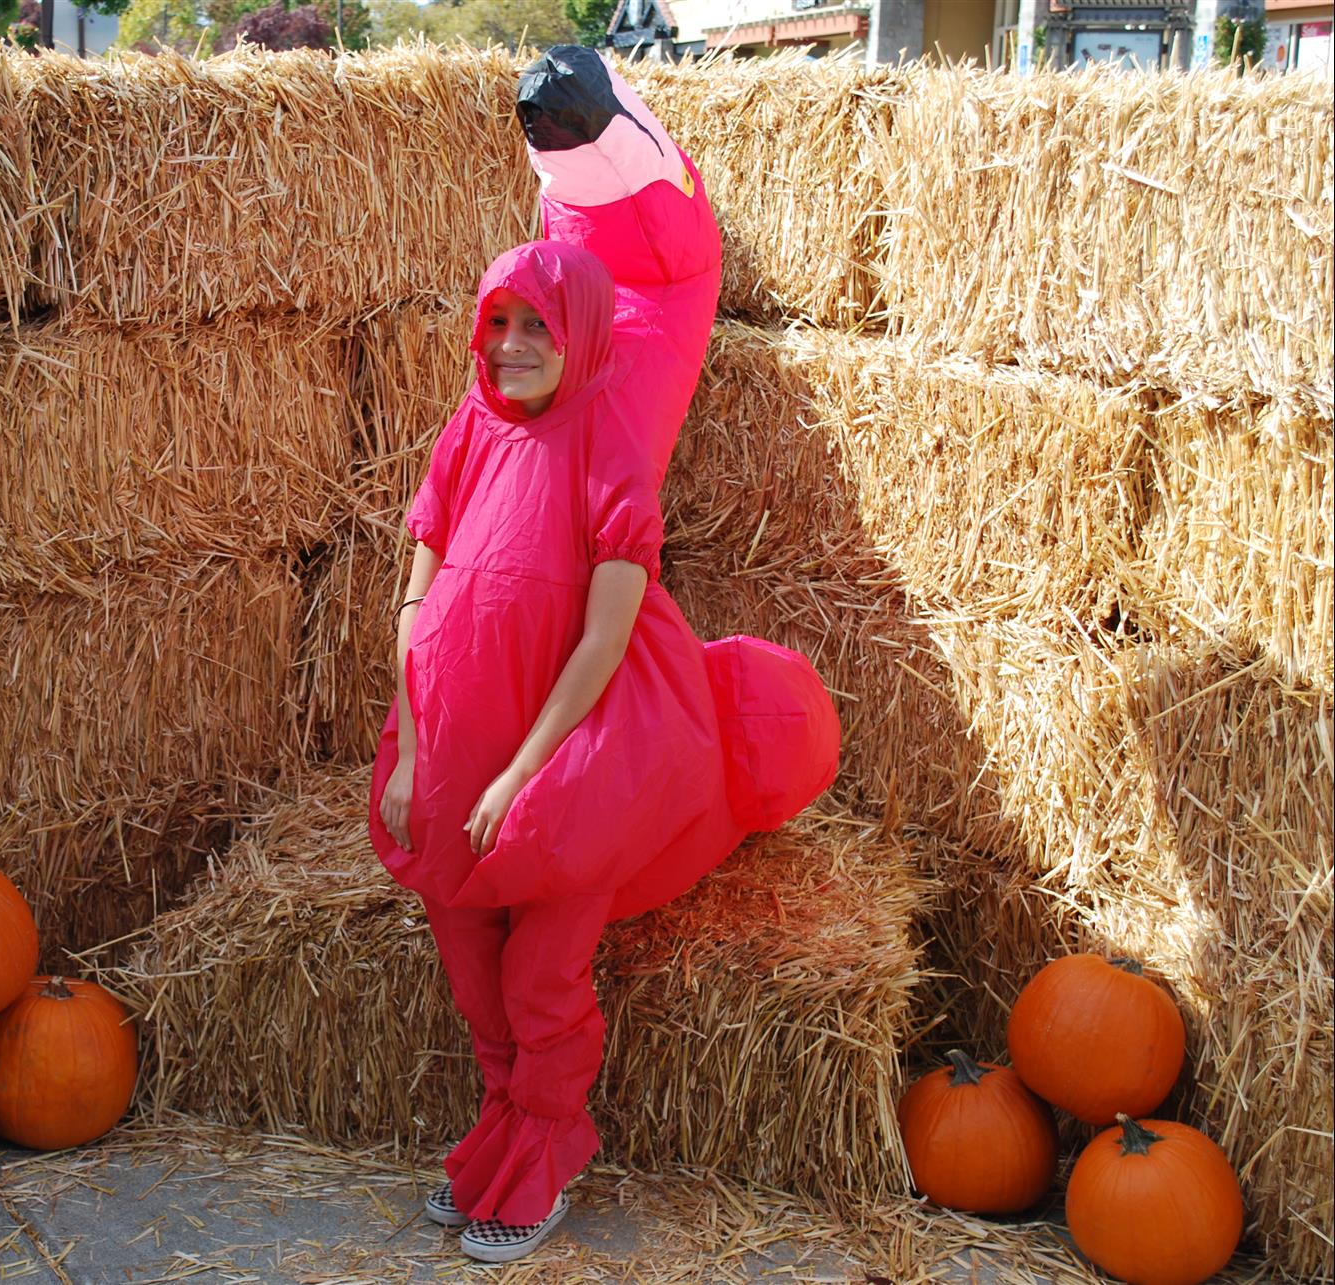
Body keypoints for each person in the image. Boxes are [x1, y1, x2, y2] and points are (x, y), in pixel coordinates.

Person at [366, 47, 838, 1264]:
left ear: (580, 336)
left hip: (568, 767)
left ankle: (547, 1156)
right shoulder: (470, 430)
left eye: (537, 325)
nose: (513, 342)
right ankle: (493, 1143)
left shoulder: (607, 453)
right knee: (475, 979)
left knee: (540, 983)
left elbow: (603, 640)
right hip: (446, 760)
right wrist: (416, 750)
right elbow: (412, 605)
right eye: (498, 322)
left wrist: (526, 773)